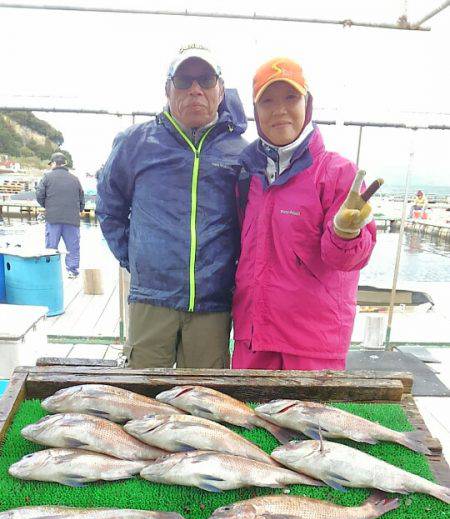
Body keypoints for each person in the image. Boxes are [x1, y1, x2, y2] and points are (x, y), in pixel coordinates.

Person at [97, 45, 247, 369]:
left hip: (213, 306)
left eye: (205, 80)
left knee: (203, 403)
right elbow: (109, 206)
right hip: (150, 302)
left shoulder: (241, 153)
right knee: (141, 402)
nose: (195, 89)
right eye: (184, 80)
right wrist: (136, 259)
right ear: (168, 90)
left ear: (220, 90)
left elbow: (252, 225)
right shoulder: (135, 143)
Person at [232, 57, 378, 371]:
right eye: (267, 100)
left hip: (312, 350)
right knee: (247, 421)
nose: (279, 109)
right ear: (255, 112)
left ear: (308, 103)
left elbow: (347, 259)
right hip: (252, 344)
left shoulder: (339, 173)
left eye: (291, 97)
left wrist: (345, 232)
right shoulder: (246, 176)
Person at [36, 152, 85, 279]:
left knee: (51, 247)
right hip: (72, 219)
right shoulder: (75, 179)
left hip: (53, 218)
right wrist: (78, 210)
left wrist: (48, 206)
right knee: (73, 247)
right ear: (64, 164)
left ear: (53, 163)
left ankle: (50, 272)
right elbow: (82, 199)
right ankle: (72, 271)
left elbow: (39, 195)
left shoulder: (47, 177)